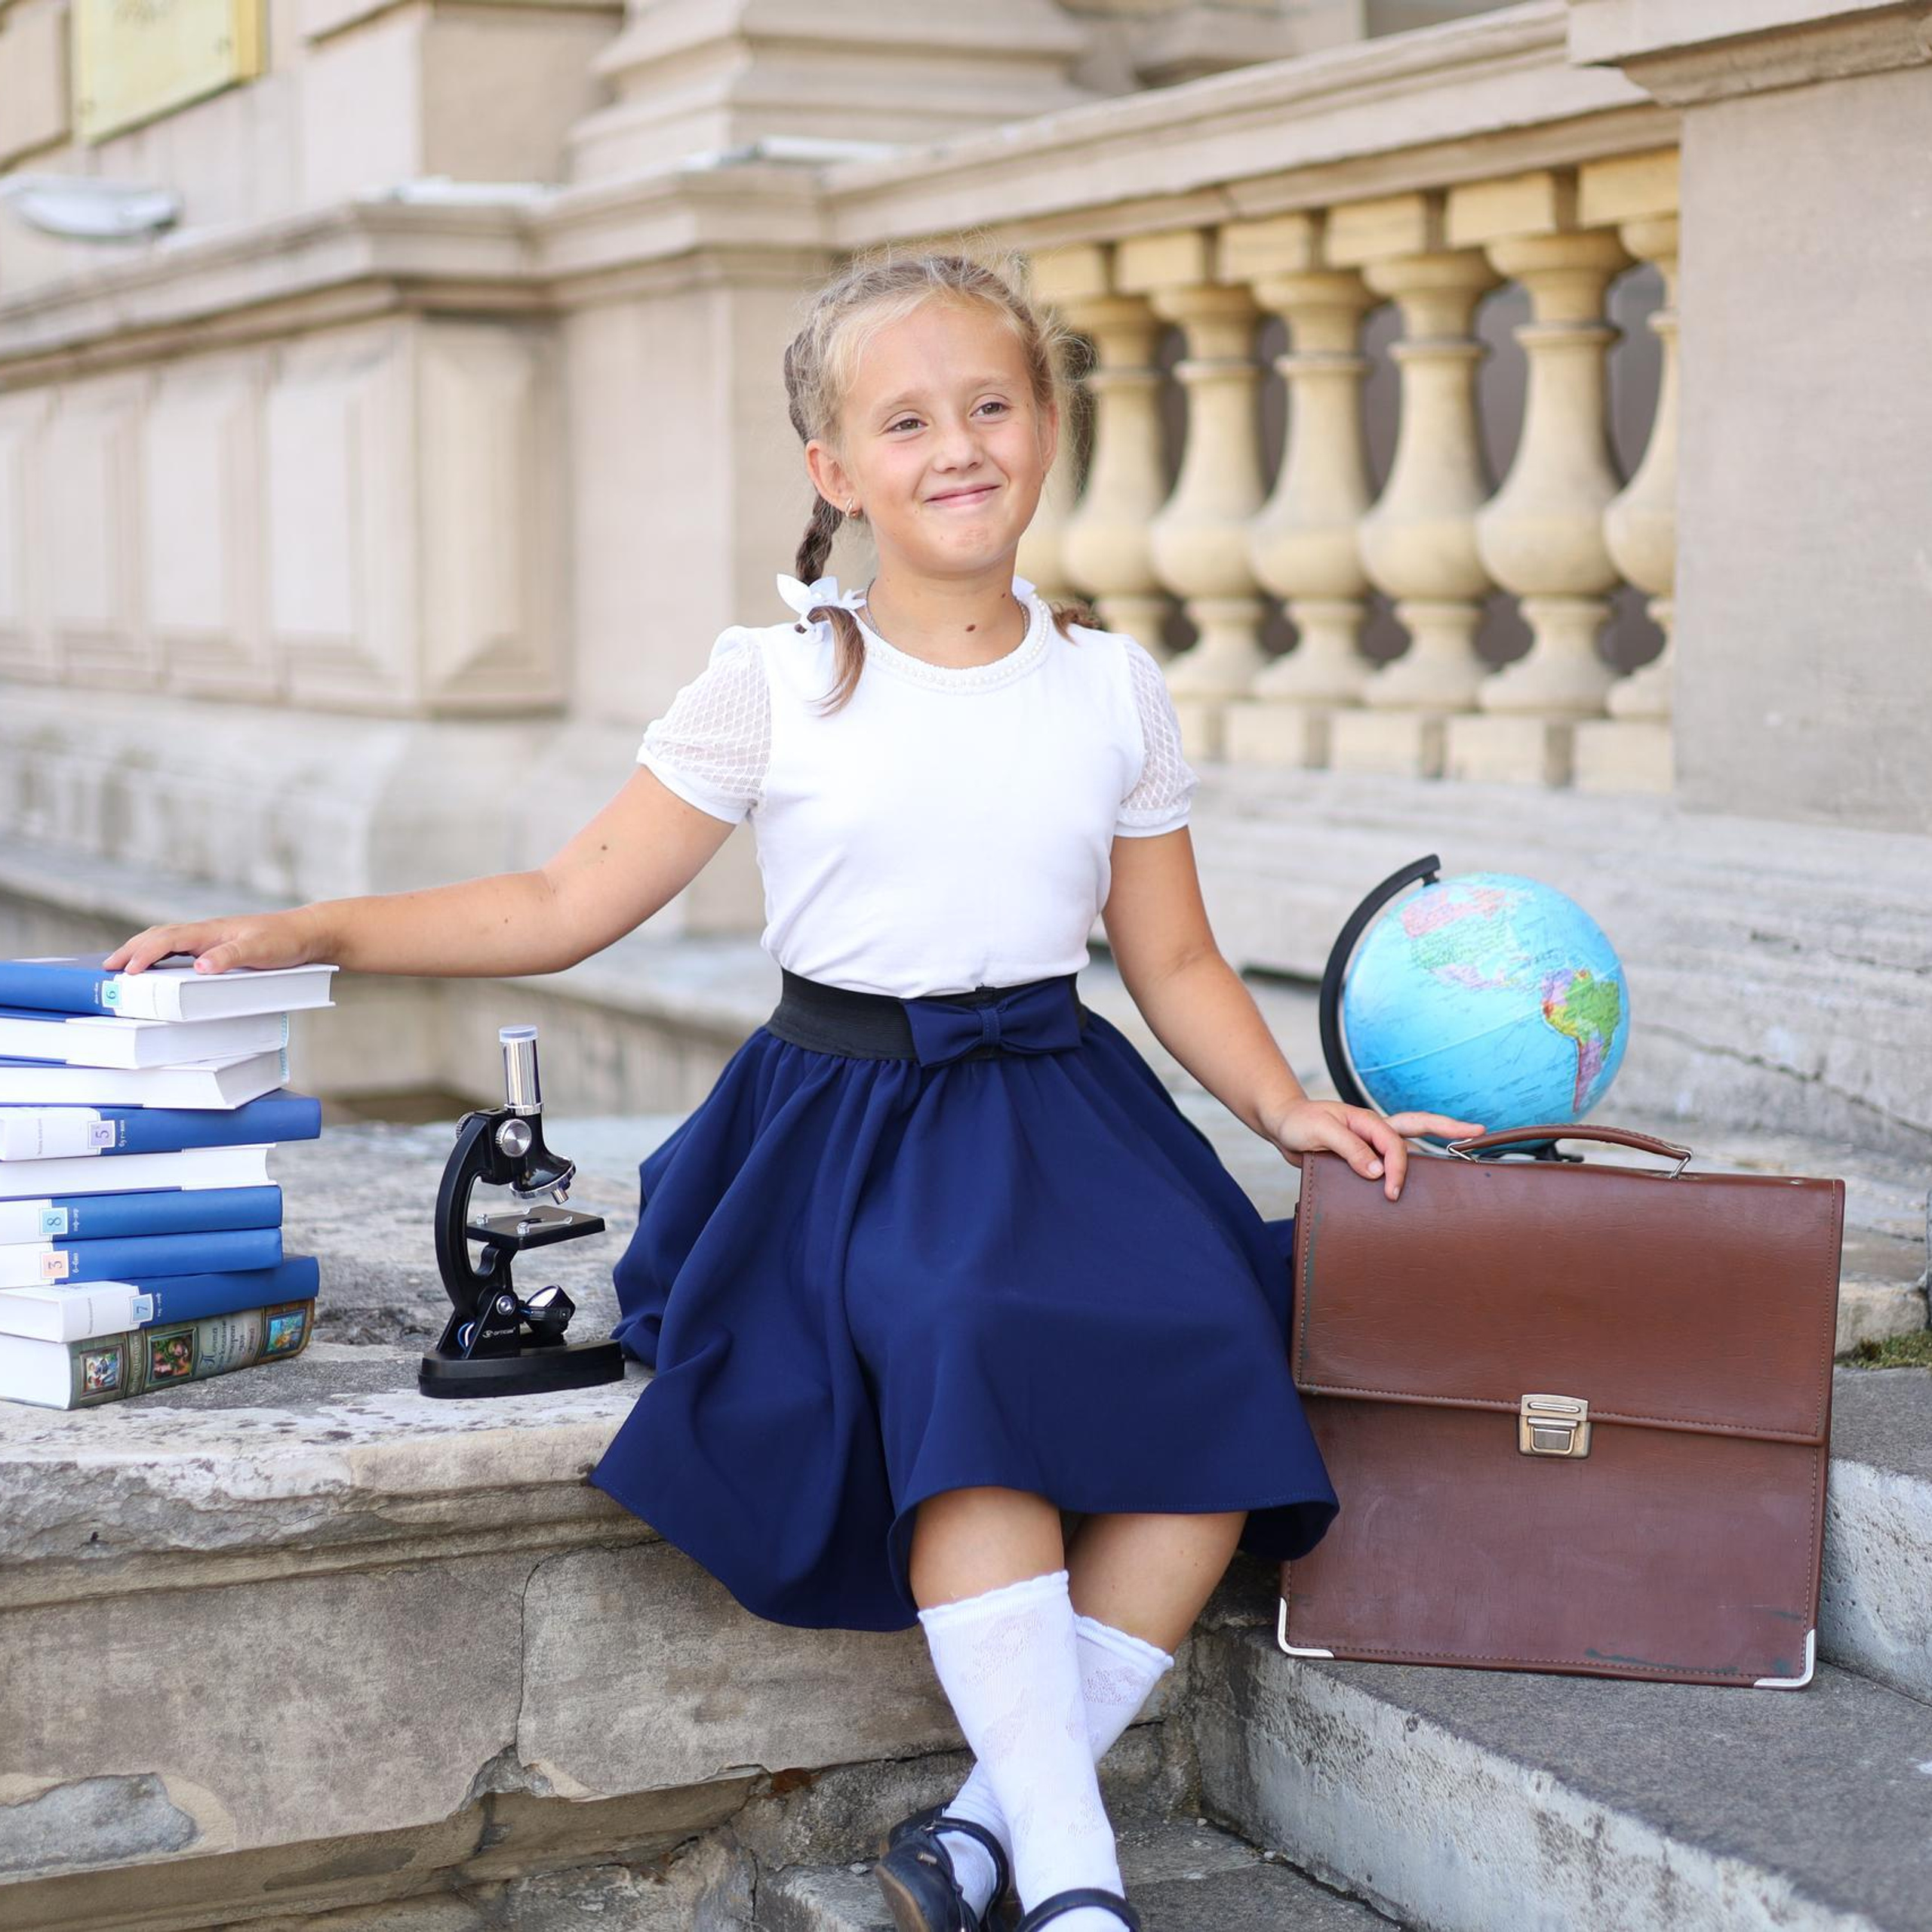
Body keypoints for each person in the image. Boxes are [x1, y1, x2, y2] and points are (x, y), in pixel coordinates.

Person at [103, 247, 1482, 1932]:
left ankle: (994, 1821)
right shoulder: (776, 677)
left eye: (990, 403)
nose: (956, 444)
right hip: (839, 1127)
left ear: (1046, 424)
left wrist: (1284, 1111)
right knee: (958, 1344)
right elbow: (561, 901)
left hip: (1061, 1107)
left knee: (1213, 1355)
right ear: (836, 472)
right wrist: (307, 927)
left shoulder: (1106, 683)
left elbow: (1175, 961)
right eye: (904, 421)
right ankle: (1071, 1874)